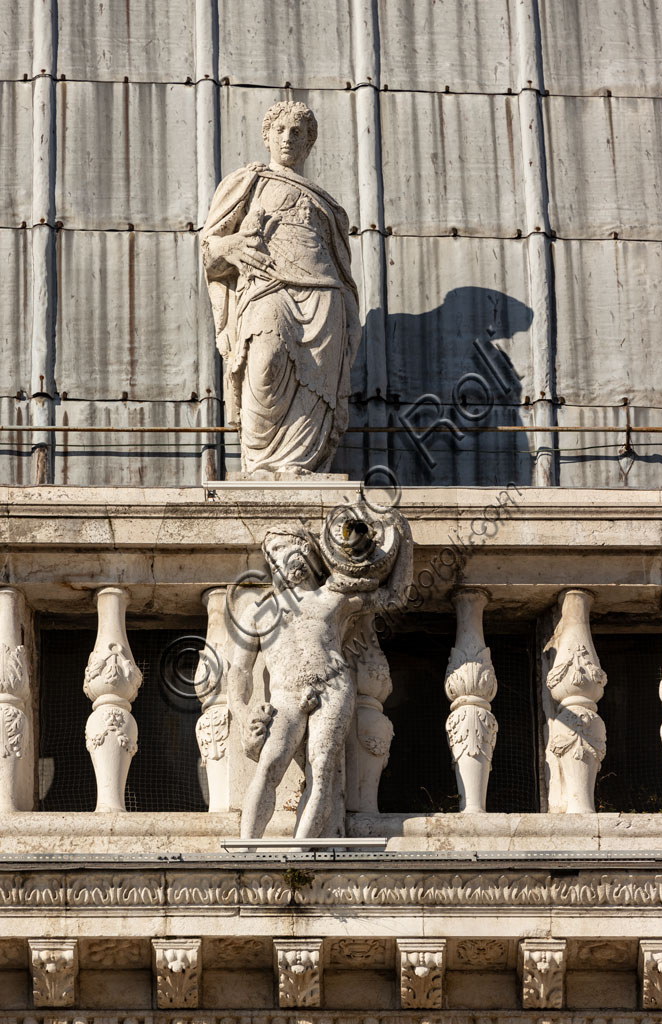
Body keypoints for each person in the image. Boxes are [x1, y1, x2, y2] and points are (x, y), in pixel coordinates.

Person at [201, 101, 361, 476]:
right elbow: (210, 249)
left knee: (318, 383)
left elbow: (342, 267)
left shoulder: (327, 204)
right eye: (281, 131)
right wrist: (233, 246)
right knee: (266, 361)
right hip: (267, 289)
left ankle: (301, 464)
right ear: (267, 137)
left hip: (324, 297)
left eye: (298, 133)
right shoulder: (248, 182)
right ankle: (261, 464)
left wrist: (351, 317)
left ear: (308, 144)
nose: (288, 138)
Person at [228, 517, 413, 839]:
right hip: (285, 695)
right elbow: (239, 671)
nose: (278, 558)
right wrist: (243, 715)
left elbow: (395, 597)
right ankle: (247, 847)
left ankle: (303, 853)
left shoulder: (334, 597)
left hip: (332, 687)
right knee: (270, 764)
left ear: (306, 550)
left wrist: (404, 540)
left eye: (283, 547)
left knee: (323, 764)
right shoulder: (259, 612)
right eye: (271, 552)